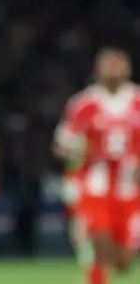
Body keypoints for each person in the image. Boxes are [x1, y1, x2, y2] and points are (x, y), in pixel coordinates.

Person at [54, 47, 140, 284]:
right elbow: (62, 145)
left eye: (118, 65)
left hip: (131, 190)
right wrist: (75, 151)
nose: (113, 71)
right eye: (108, 66)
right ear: (98, 70)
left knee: (123, 262)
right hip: (94, 188)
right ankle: (92, 268)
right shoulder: (84, 103)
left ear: (128, 69)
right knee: (101, 249)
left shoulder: (137, 100)